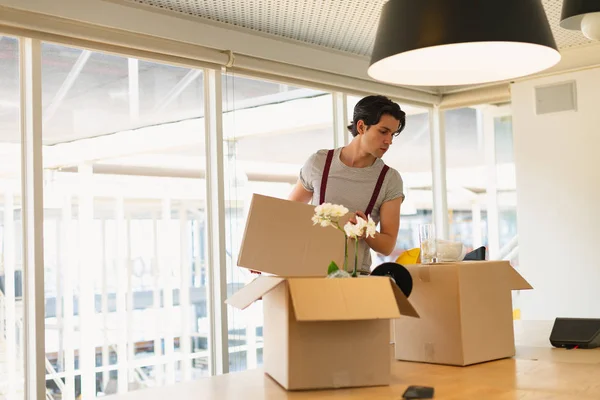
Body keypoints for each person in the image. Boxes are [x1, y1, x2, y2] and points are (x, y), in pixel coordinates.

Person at [288, 95, 406, 274]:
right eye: (383, 131)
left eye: (392, 134)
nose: (389, 141)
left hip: (357, 277)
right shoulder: (319, 163)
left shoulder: (390, 179)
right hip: (310, 273)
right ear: (361, 126)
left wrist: (366, 230)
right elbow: (289, 214)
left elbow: (388, 245)